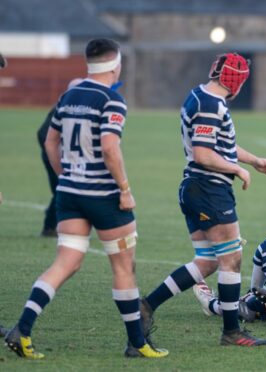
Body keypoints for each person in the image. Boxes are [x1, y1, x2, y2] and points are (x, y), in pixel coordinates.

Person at [1, 39, 167, 359]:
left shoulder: (68, 96)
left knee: (66, 262)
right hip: (104, 195)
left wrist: (66, 175)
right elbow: (109, 147)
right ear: (115, 65)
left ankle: (23, 328)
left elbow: (51, 141)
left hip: (70, 193)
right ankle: (137, 343)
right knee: (123, 268)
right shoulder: (112, 99)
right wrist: (125, 189)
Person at [139, 53, 266, 347]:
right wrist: (237, 169)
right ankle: (231, 332)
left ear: (215, 69)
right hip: (209, 189)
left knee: (208, 261)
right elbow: (203, 154)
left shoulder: (199, 96)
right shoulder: (212, 104)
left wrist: (252, 161)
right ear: (238, 82)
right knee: (232, 259)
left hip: (195, 188)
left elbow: (220, 145)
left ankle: (147, 305)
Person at [36, 78, 84, 237]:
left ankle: (70, 225)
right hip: (54, 156)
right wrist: (56, 152)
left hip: (69, 157)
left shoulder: (78, 107)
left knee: (65, 189)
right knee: (60, 189)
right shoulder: (61, 108)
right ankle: (50, 227)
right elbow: (43, 134)